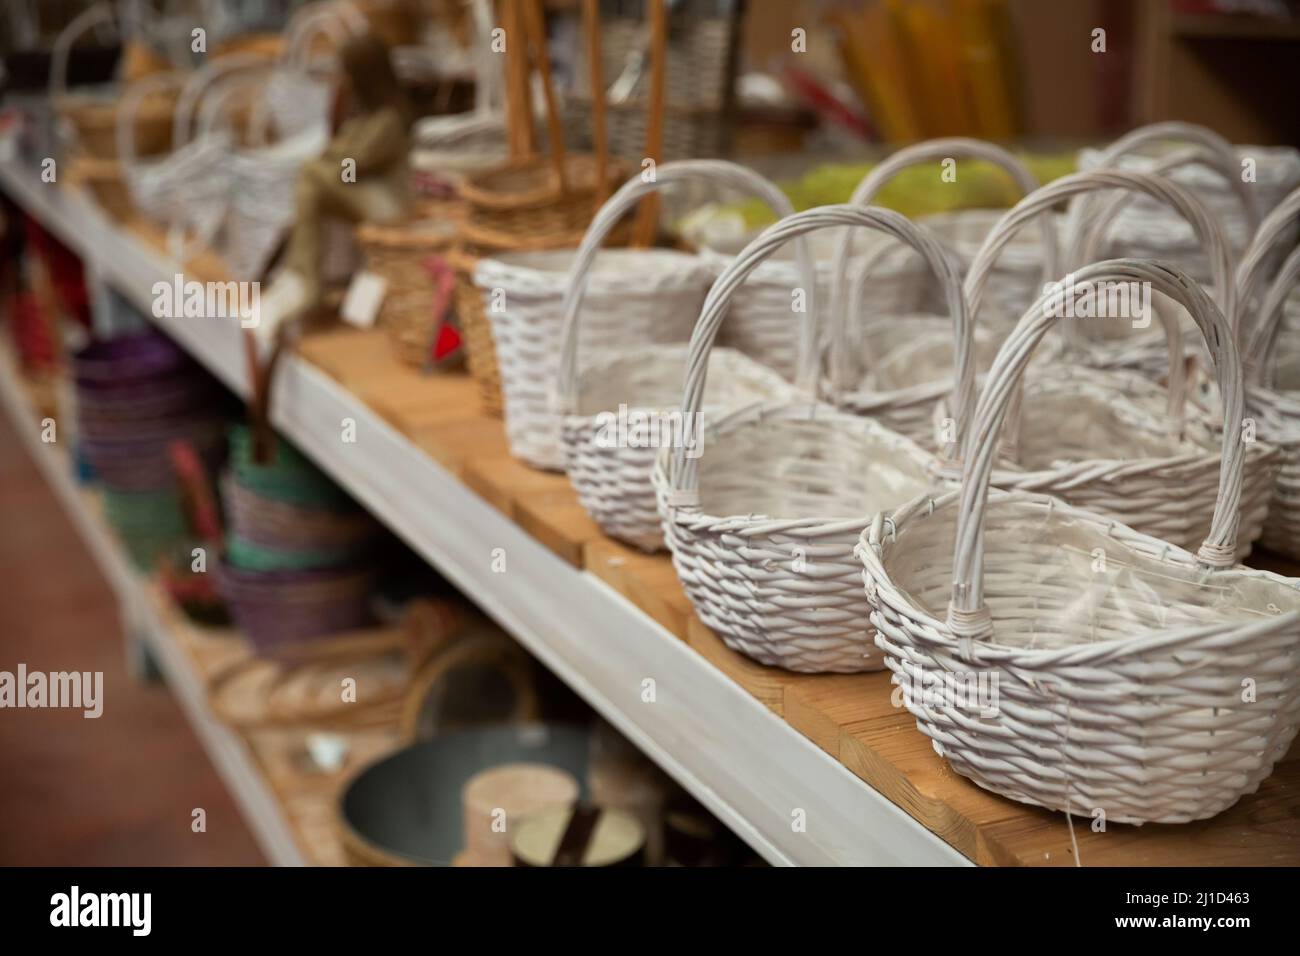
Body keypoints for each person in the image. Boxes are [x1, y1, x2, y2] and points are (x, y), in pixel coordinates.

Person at [257, 30, 414, 337]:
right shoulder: (364, 116)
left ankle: (305, 278)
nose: (342, 78)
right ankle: (301, 276)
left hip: (392, 207)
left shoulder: (389, 120)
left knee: (312, 175)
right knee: (311, 180)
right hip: (367, 195)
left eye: (346, 72)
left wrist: (333, 153)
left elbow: (350, 167)